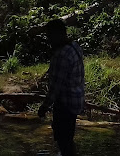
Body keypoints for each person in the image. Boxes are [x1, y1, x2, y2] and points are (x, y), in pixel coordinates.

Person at [38, 19, 85, 156]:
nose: (49, 40)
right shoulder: (75, 47)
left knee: (64, 141)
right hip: (76, 100)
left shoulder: (61, 55)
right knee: (68, 140)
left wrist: (44, 107)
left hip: (65, 104)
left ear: (58, 34)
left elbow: (55, 88)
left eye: (50, 36)